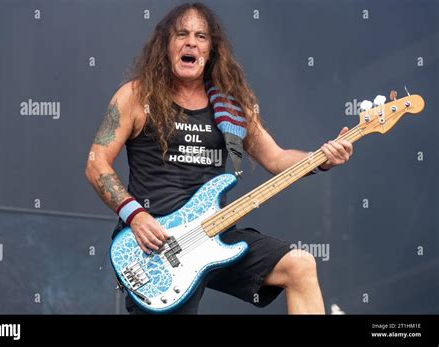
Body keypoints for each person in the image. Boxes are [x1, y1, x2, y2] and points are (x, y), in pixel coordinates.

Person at [85, 2, 353, 314]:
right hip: (155, 245)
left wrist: (321, 157)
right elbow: (96, 163)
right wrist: (136, 215)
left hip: (213, 234)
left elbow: (277, 159)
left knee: (300, 265)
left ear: (211, 49)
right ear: (166, 45)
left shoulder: (231, 105)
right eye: (181, 34)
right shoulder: (135, 96)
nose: (191, 42)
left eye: (201, 36)